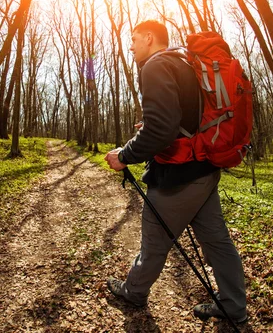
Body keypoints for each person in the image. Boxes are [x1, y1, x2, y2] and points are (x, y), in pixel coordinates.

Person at [104, 20, 247, 324]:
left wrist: (125, 155)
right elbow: (183, 120)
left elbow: (162, 129)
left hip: (178, 178)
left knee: (154, 243)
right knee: (218, 241)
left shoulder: (155, 67)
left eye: (133, 39)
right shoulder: (184, 62)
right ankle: (233, 305)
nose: (130, 46)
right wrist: (157, 129)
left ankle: (134, 291)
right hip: (205, 169)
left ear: (150, 37)